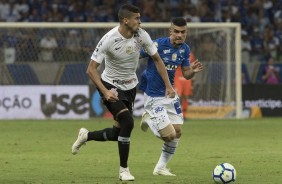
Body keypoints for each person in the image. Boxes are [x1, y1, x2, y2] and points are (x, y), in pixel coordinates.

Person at [71, 4, 175, 181]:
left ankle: (85, 136)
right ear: (125, 20)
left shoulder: (142, 35)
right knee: (128, 122)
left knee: (116, 133)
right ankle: (123, 170)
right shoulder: (109, 39)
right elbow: (91, 69)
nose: (140, 22)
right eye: (137, 18)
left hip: (130, 87)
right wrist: (105, 91)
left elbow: (157, 59)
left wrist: (168, 85)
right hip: (110, 85)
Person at [139, 17, 203, 176]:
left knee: (178, 132)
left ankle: (160, 167)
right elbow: (136, 55)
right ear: (170, 31)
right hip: (154, 96)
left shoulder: (185, 49)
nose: (179, 35)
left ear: (186, 33)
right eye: (176, 31)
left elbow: (186, 73)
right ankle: (147, 117)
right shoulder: (157, 44)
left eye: (183, 32)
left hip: (169, 94)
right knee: (169, 136)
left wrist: (192, 72)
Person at [174, 51, 195, 119]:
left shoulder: (190, 54)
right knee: (177, 96)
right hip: (177, 77)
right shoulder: (174, 52)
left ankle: (184, 115)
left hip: (187, 78)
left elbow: (192, 66)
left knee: (186, 97)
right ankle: (176, 114)